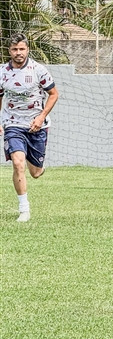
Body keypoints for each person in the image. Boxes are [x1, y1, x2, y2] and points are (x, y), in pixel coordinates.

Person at [0, 33, 59, 222]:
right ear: (9, 51)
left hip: (36, 125)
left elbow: (54, 94)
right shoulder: (2, 72)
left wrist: (41, 117)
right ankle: (24, 209)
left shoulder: (38, 70)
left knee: (35, 173)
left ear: (27, 49)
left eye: (22, 49)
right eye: (14, 49)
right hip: (12, 124)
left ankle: (38, 166)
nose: (18, 52)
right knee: (18, 163)